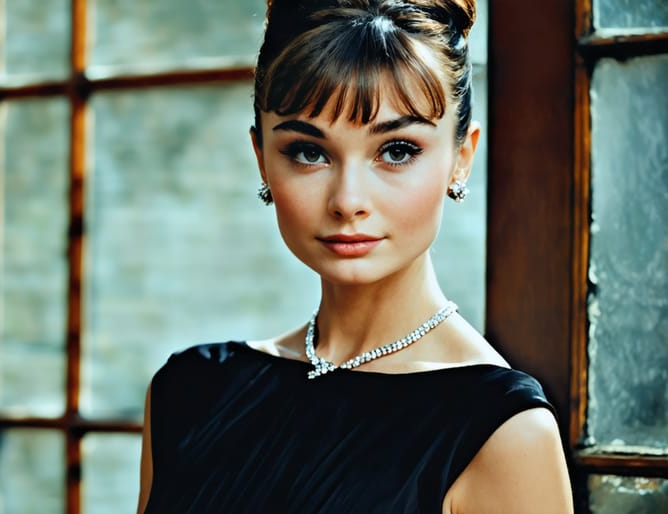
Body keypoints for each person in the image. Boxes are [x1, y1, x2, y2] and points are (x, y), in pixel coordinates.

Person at [137, 0, 574, 512]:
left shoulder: (505, 434)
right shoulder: (190, 391)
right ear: (261, 158)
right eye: (308, 151)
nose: (348, 201)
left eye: (396, 150)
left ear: (461, 158)